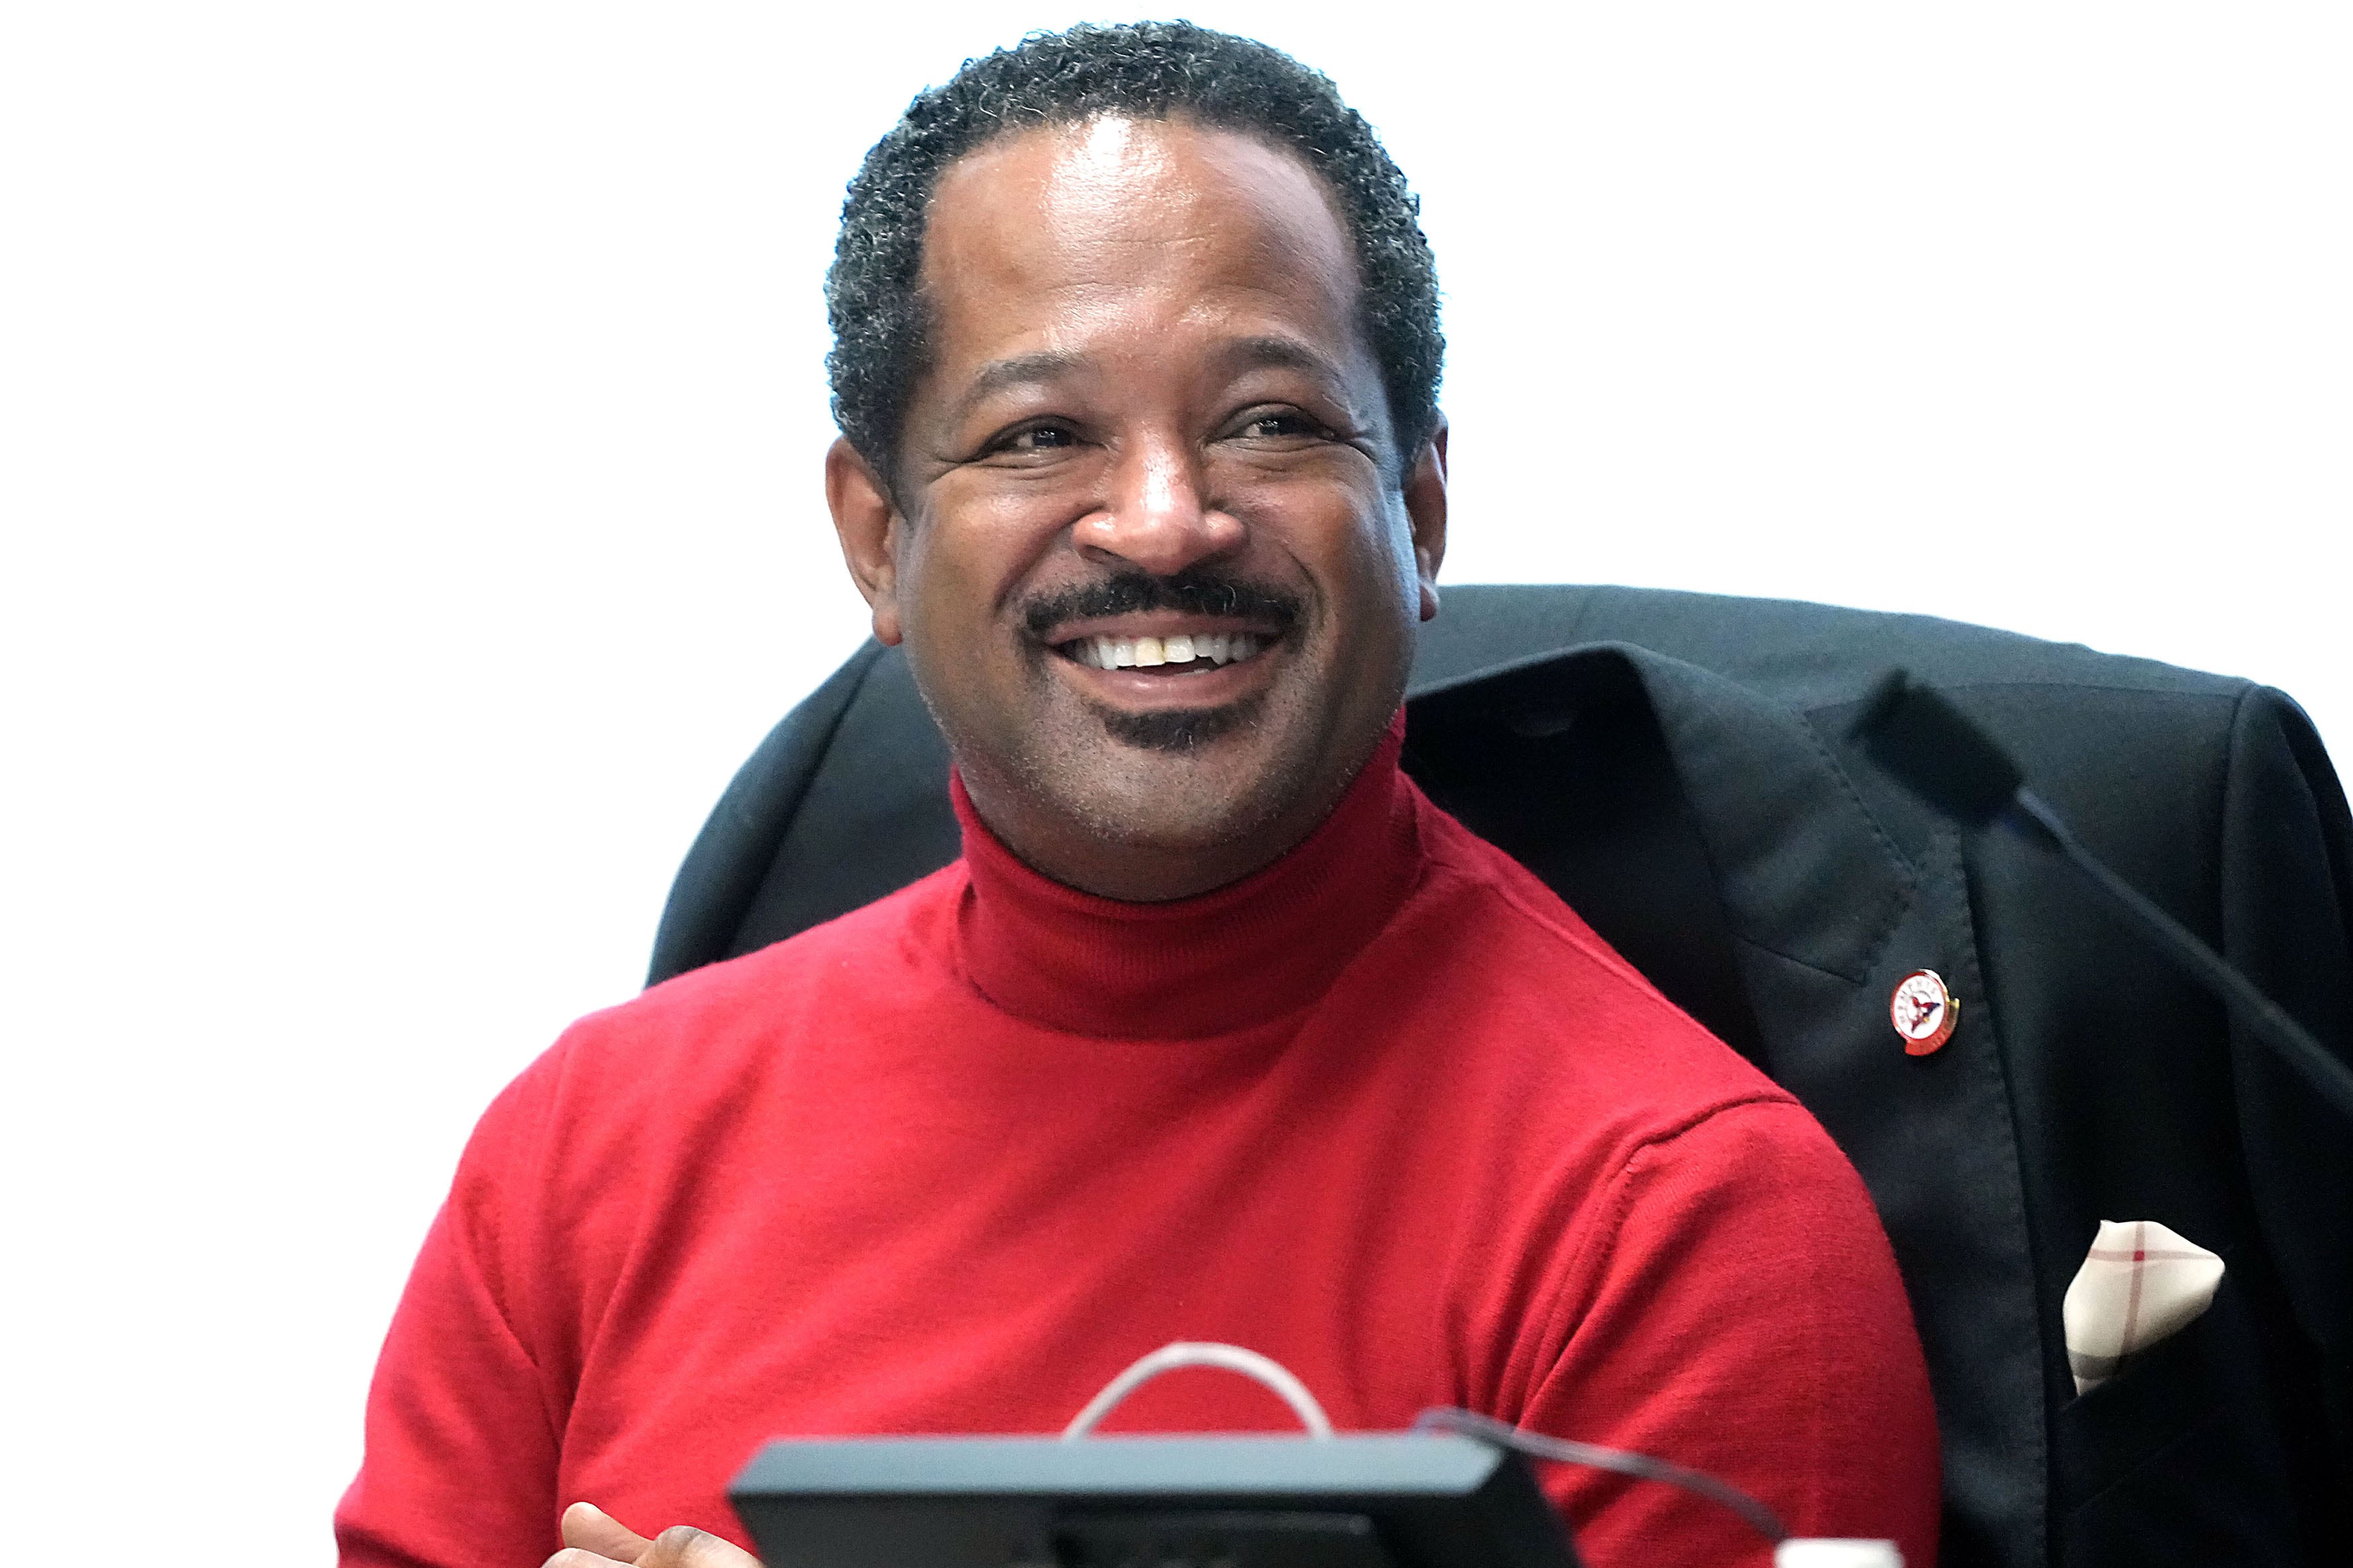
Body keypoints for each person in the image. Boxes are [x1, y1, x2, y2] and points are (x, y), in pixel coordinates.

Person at [335, 22, 1941, 1568]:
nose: (1165, 522)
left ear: (1420, 512)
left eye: (1270, 422)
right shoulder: (586, 1156)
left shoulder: (1683, 1224)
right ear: (877, 538)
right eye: (1040, 433)